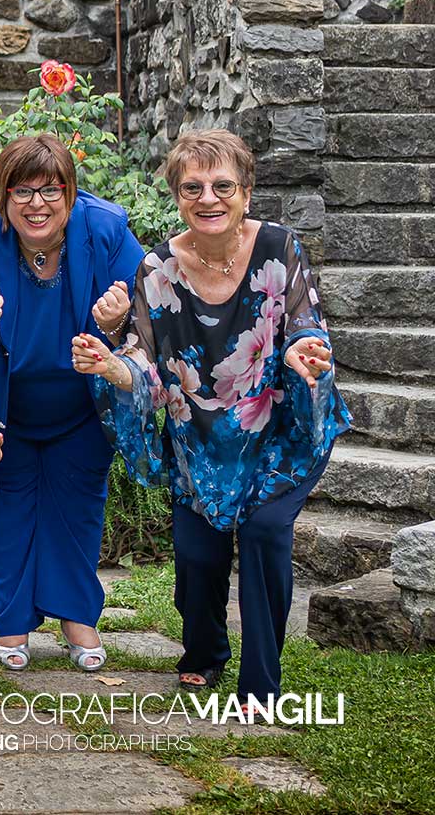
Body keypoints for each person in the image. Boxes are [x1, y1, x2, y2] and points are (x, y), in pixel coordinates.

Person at [76, 129, 348, 712]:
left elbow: (306, 324)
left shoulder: (280, 248)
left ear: (246, 193)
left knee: (264, 534)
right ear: (177, 195)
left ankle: (261, 684)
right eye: (192, 187)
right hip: (198, 440)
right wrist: (115, 367)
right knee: (197, 560)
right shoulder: (157, 269)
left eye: (223, 185)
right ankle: (202, 655)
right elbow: (143, 359)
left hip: (276, 431)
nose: (208, 198)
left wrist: (303, 351)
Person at [0, 134, 144, 672]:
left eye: (50, 190)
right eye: (22, 191)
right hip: (5, 405)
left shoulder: (104, 229)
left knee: (78, 510)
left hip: (81, 403)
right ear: (3, 197)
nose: (37, 204)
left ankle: (79, 618)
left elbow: (147, 313)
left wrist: (113, 323)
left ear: (71, 193)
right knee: (8, 509)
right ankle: (10, 622)